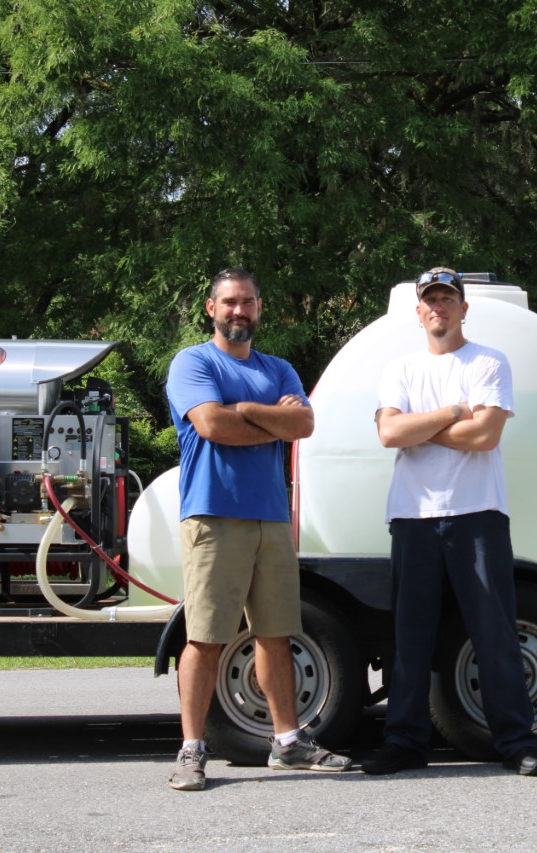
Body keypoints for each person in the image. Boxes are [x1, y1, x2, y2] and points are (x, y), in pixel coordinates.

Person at [164, 267, 352, 791]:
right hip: (213, 514)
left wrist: (244, 409)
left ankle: (288, 743)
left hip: (271, 517)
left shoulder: (278, 368)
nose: (239, 310)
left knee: (276, 634)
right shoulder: (193, 362)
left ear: (259, 307)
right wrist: (269, 417)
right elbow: (211, 425)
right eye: (229, 302)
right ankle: (191, 750)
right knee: (206, 638)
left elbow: (303, 425)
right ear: (211, 308)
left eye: (247, 301)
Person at [363, 267, 537, 777]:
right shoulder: (400, 368)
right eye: (431, 300)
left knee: (494, 634)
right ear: (418, 311)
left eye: (447, 298)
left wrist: (418, 429)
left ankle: (517, 742)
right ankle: (405, 743)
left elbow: (485, 437)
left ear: (463, 309)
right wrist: (452, 413)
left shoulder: (489, 361)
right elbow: (388, 434)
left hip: (477, 513)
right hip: (413, 516)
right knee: (410, 638)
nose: (438, 307)